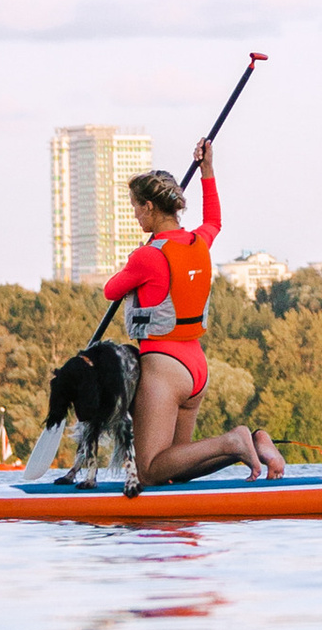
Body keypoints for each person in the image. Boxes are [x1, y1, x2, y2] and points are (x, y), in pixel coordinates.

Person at [101, 152, 285, 487]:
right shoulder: (200, 241)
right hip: (195, 365)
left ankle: (231, 442)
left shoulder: (146, 255)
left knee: (150, 471)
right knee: (175, 468)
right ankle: (253, 445)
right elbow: (214, 220)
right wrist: (208, 171)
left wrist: (137, 259)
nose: (136, 215)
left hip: (163, 367)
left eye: (136, 207)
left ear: (150, 208)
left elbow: (111, 290)